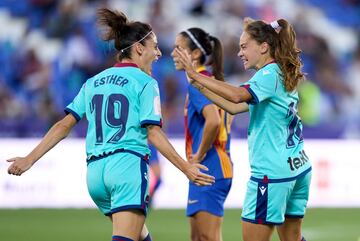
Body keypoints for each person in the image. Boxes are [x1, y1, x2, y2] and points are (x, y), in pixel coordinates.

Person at [6, 8, 215, 241]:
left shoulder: (93, 81)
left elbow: (63, 125)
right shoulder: (146, 82)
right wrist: (186, 168)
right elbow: (153, 133)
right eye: (154, 46)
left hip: (96, 175)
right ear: (138, 48)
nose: (158, 53)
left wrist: (29, 159)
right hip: (126, 167)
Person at [174, 18, 311, 241]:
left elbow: (237, 95)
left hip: (272, 174)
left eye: (244, 46)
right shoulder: (279, 72)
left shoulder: (268, 75)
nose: (239, 53)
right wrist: (198, 84)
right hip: (297, 167)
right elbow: (234, 107)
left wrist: (197, 74)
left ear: (264, 47)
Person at [171, 28, 233, 241]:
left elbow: (214, 122)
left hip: (210, 167)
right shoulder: (210, 80)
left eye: (178, 48)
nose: (172, 53)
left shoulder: (198, 84)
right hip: (211, 168)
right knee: (199, 238)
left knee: (207, 238)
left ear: (195, 54)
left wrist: (196, 156)